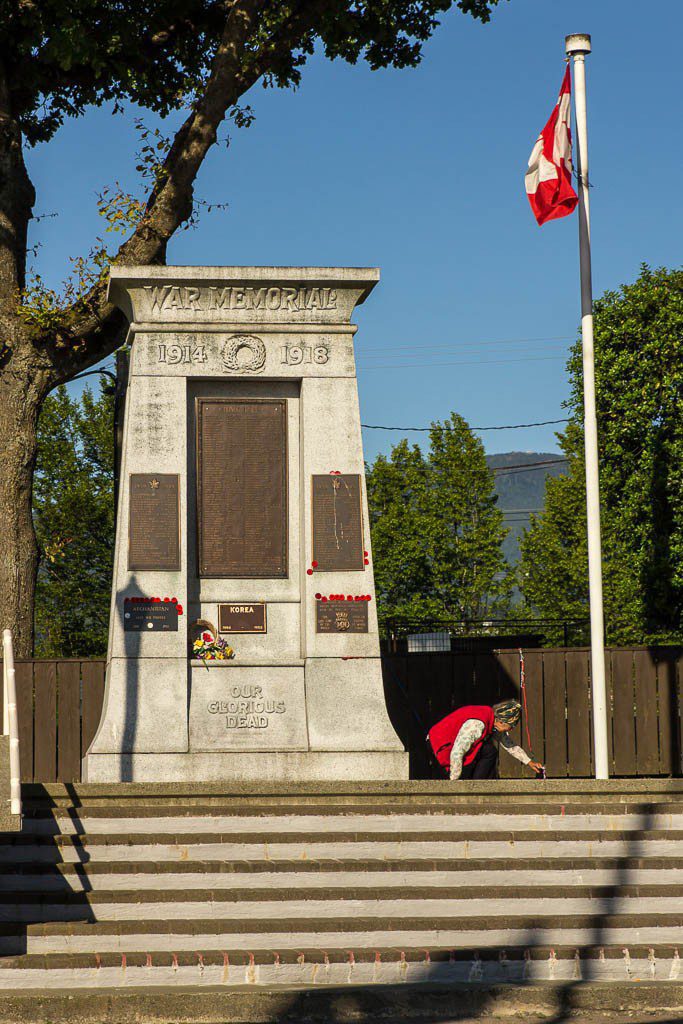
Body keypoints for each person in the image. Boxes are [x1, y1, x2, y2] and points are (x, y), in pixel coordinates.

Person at [427, 699, 544, 780]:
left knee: (489, 750)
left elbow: (508, 744)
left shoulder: (492, 720)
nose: (511, 729)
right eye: (511, 726)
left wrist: (528, 761)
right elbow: (458, 751)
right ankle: (475, 784)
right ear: (502, 721)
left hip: (451, 745)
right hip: (439, 744)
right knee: (488, 751)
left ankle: (477, 783)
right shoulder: (478, 724)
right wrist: (454, 782)